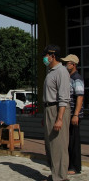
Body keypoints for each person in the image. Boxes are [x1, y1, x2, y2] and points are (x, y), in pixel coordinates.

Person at [42, 44, 71, 181]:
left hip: (58, 109)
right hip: (49, 109)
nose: (45, 58)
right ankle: (55, 174)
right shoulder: (51, 71)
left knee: (58, 145)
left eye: (46, 55)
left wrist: (59, 119)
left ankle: (60, 177)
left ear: (53, 56)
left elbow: (63, 98)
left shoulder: (61, 72)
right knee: (50, 145)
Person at [61, 54, 84, 175]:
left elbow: (80, 97)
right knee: (68, 140)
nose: (66, 65)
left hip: (74, 114)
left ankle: (75, 167)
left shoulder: (77, 78)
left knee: (74, 140)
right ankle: (69, 164)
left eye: (67, 63)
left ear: (73, 65)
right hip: (68, 114)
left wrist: (75, 115)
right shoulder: (68, 77)